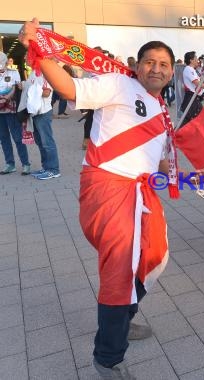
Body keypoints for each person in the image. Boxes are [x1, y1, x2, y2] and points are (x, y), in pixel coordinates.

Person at [19, 17, 180, 379]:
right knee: (121, 270)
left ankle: (122, 317)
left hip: (139, 193)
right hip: (109, 188)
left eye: (164, 65)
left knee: (156, 256)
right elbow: (69, 88)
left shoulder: (161, 109)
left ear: (171, 73)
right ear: (138, 66)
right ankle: (108, 357)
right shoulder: (118, 84)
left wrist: (171, 166)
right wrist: (39, 50)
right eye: (150, 62)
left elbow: (156, 154)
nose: (157, 68)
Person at [0, 51, 30, 175]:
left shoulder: (13, 72)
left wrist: (6, 97)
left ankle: (25, 164)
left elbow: (15, 87)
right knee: (3, 138)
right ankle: (10, 164)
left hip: (10, 108)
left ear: (5, 61)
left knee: (17, 137)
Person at [179, 51, 204, 126]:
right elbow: (197, 83)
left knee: (190, 122)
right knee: (196, 121)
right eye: (195, 58)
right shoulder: (188, 69)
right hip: (191, 98)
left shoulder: (192, 70)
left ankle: (176, 134)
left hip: (194, 98)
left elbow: (198, 81)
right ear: (191, 60)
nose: (197, 60)